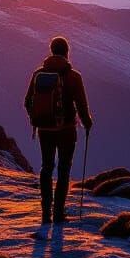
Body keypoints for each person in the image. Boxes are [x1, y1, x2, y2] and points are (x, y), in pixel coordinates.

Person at [24, 35, 93, 223]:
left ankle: (46, 213)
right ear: (67, 53)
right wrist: (87, 123)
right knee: (63, 170)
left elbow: (27, 101)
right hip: (67, 130)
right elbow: (81, 105)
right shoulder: (74, 76)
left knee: (46, 168)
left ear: (51, 51)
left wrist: (36, 119)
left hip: (44, 130)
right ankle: (59, 213)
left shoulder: (39, 74)